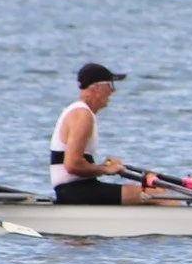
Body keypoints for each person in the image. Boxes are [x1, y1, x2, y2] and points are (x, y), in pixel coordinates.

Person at [50, 63, 153, 205]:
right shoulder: (82, 115)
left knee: (152, 194)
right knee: (160, 195)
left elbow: (77, 163)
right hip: (75, 191)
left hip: (78, 187)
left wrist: (103, 167)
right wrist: (105, 169)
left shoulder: (79, 111)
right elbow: (72, 165)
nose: (113, 91)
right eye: (111, 85)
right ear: (96, 87)